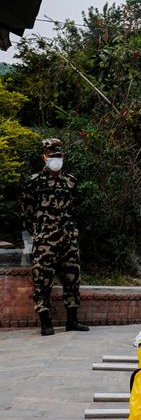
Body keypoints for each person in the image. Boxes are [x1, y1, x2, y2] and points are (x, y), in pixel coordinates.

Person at [20, 138, 90, 335]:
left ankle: (72, 321)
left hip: (68, 239)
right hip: (45, 241)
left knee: (72, 279)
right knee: (42, 281)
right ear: (44, 157)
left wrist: (72, 232)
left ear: (63, 157)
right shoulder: (33, 182)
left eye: (58, 156)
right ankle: (46, 322)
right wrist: (40, 232)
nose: (55, 159)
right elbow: (27, 213)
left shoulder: (70, 181)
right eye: (52, 156)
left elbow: (75, 209)